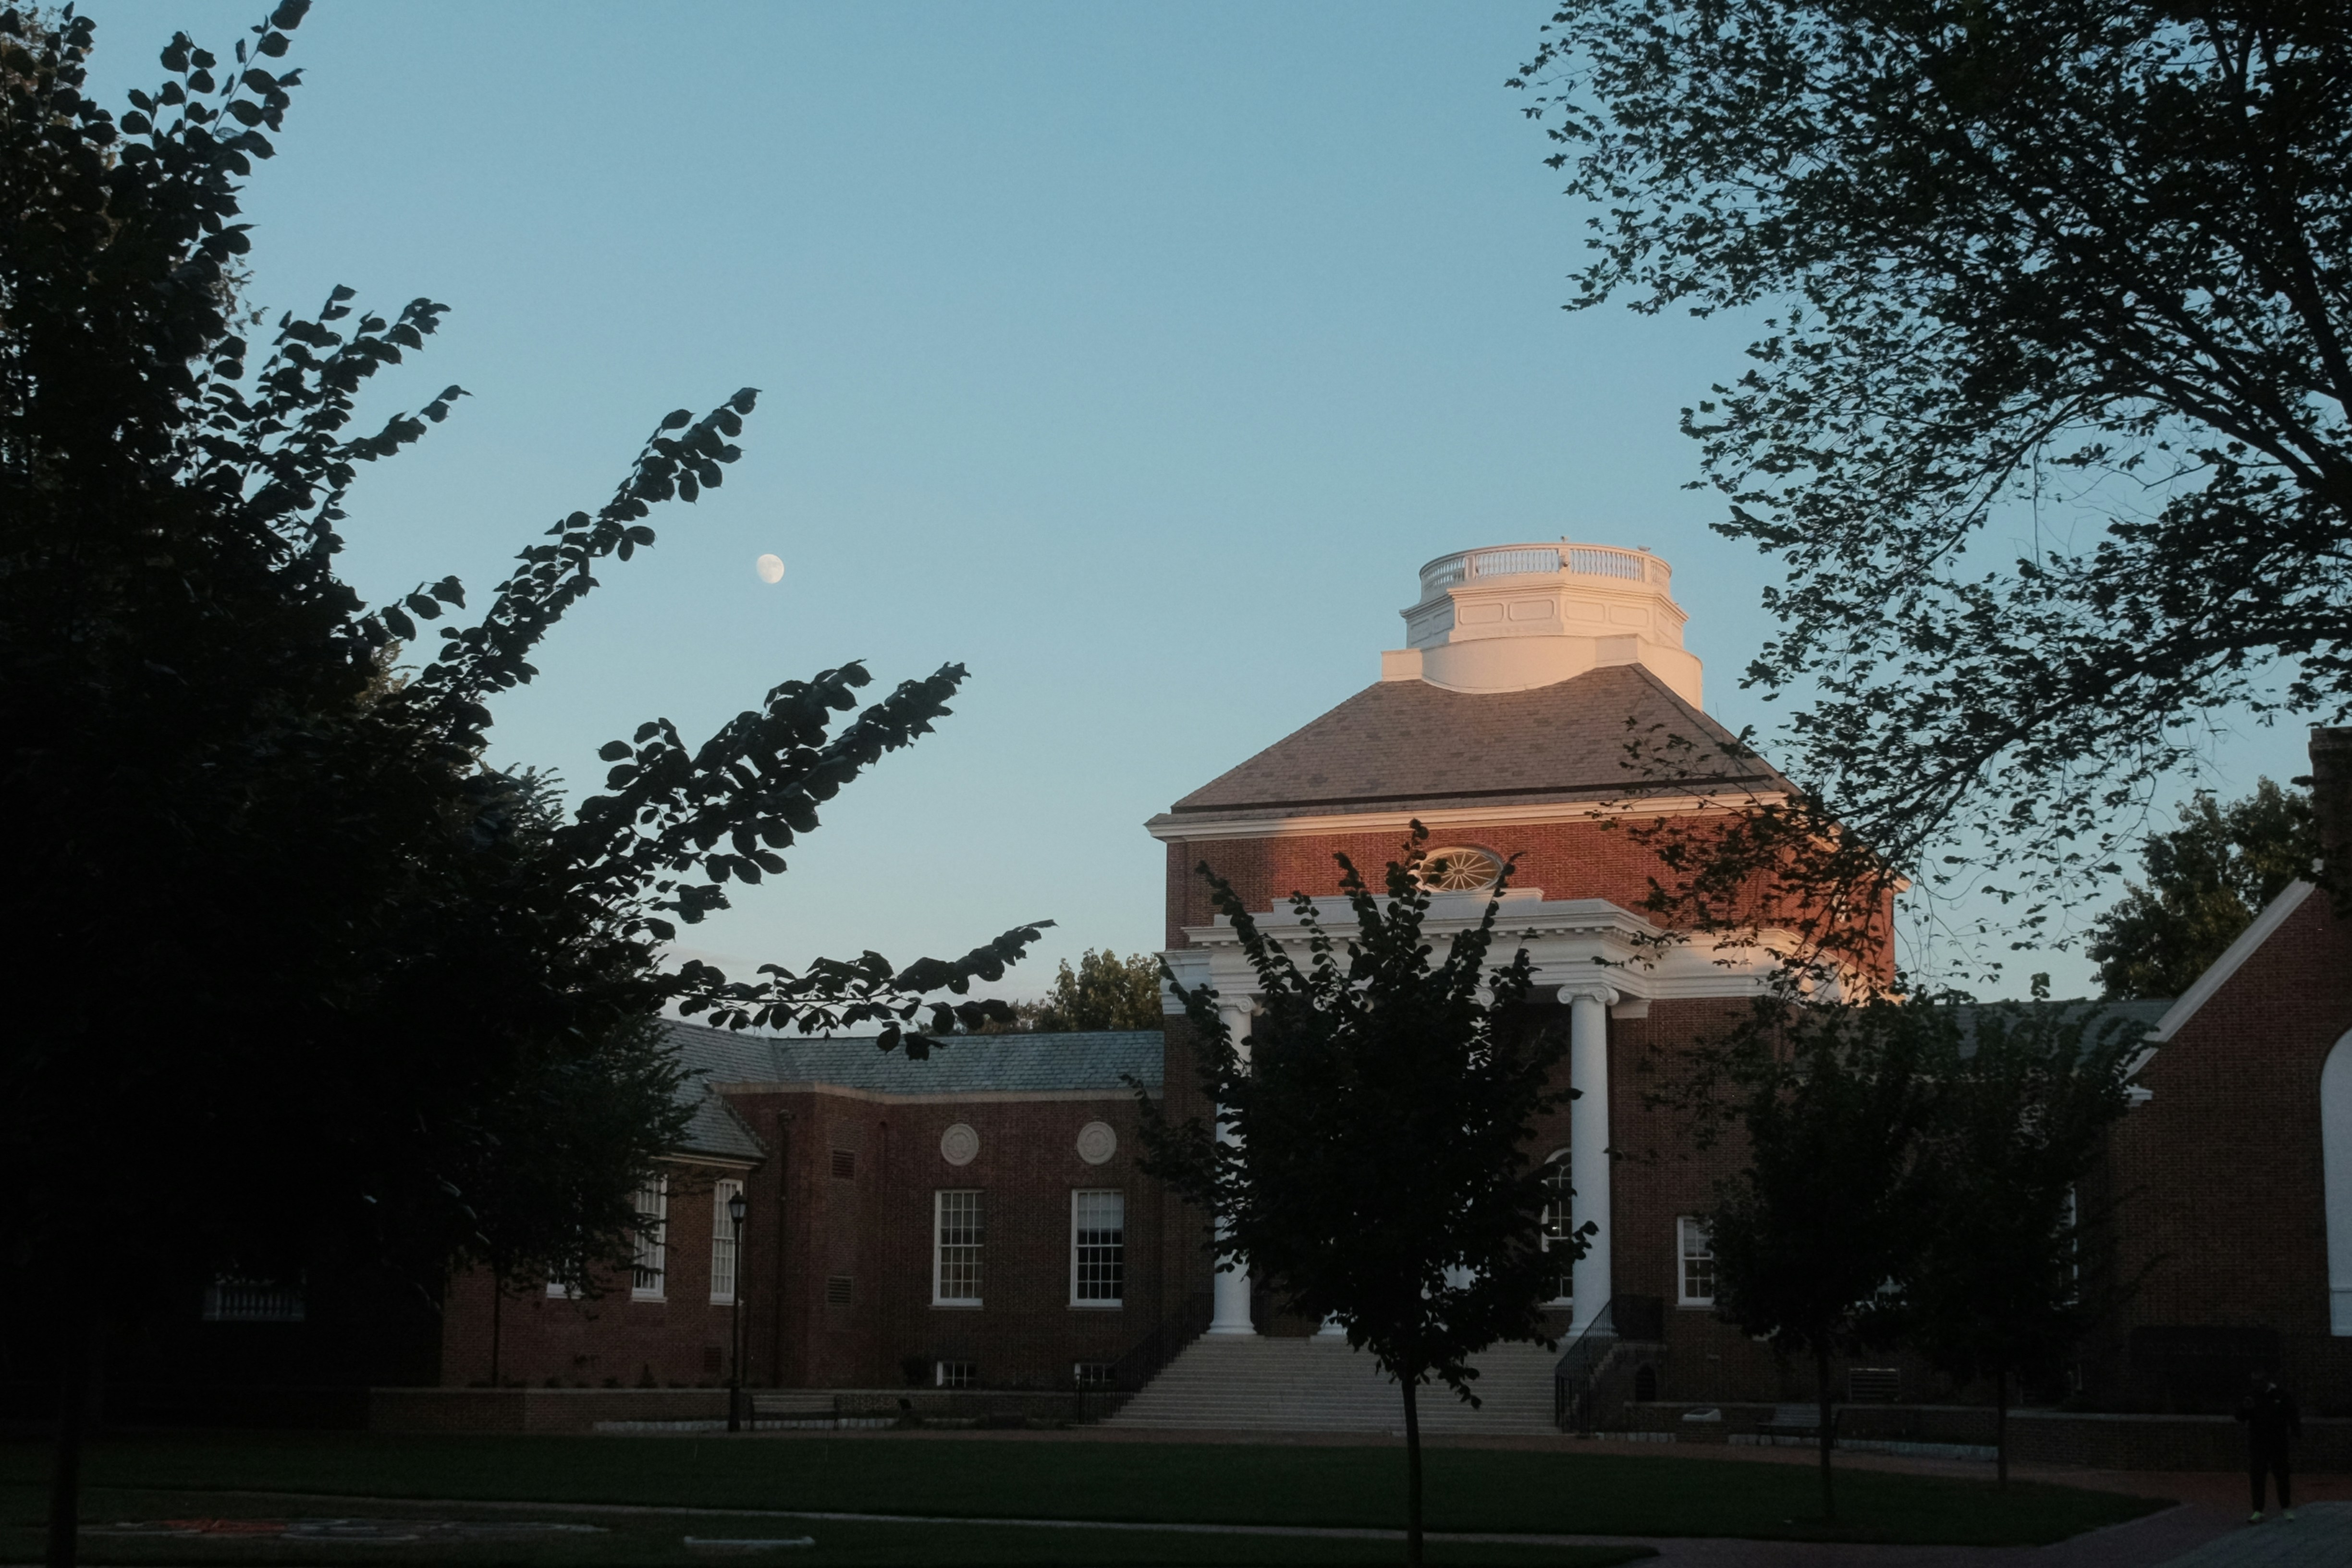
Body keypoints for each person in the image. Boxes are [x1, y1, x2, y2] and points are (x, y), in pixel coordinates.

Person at [2235, 1370, 2301, 1523]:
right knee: (2257, 1477)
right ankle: (2258, 1510)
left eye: (2259, 1381)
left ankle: (2286, 1508)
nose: (2256, 1384)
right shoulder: (2250, 1396)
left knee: (2282, 1476)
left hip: (2278, 1442)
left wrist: (2295, 1433)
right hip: (2258, 1443)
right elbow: (2240, 1416)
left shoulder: (2281, 1395)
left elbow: (2292, 1414)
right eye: (2254, 1381)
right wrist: (2246, 1409)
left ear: (2266, 1381)